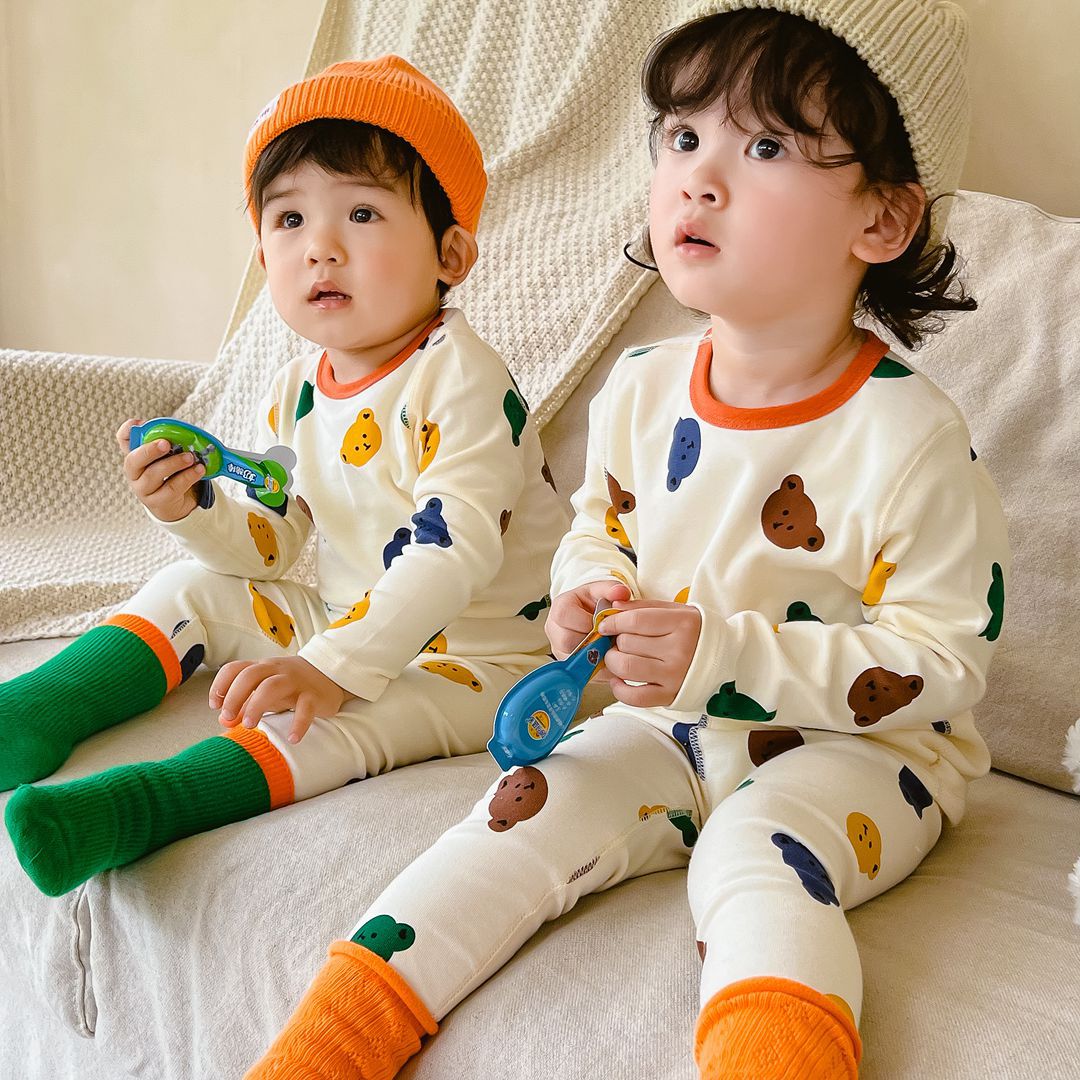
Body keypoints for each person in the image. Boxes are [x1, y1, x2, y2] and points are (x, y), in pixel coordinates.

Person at [246, 4, 1010, 1078]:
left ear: (881, 219)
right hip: (663, 726)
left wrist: (723, 654)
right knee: (510, 820)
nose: (699, 179)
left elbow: (944, 658)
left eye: (767, 146)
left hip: (864, 753)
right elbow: (598, 533)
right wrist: (590, 593)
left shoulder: (909, 432)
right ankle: (319, 1053)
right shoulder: (643, 387)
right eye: (683, 137)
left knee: (755, 858)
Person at [2, 56, 568, 900]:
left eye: (363, 213)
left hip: (483, 658)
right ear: (264, 254)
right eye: (290, 218)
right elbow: (275, 545)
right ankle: (35, 712)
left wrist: (331, 669)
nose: (320, 248)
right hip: (348, 614)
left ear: (450, 254)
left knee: (342, 722)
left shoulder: (462, 378)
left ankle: (143, 806)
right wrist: (193, 509)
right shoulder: (297, 387)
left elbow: (453, 550)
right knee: (191, 587)